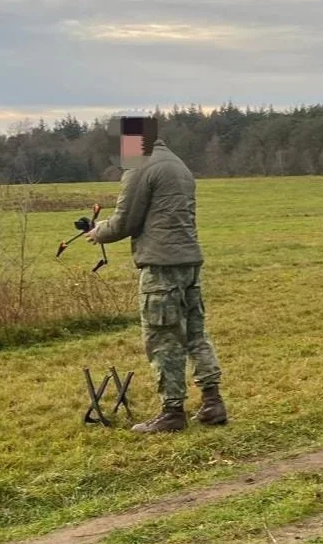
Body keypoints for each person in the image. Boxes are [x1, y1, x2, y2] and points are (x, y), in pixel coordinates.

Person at [88, 117, 227, 434]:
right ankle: (212, 401)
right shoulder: (178, 165)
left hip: (161, 267)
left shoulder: (141, 167)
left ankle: (172, 412)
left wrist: (99, 233)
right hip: (189, 261)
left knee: (162, 338)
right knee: (195, 333)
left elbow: (125, 222)